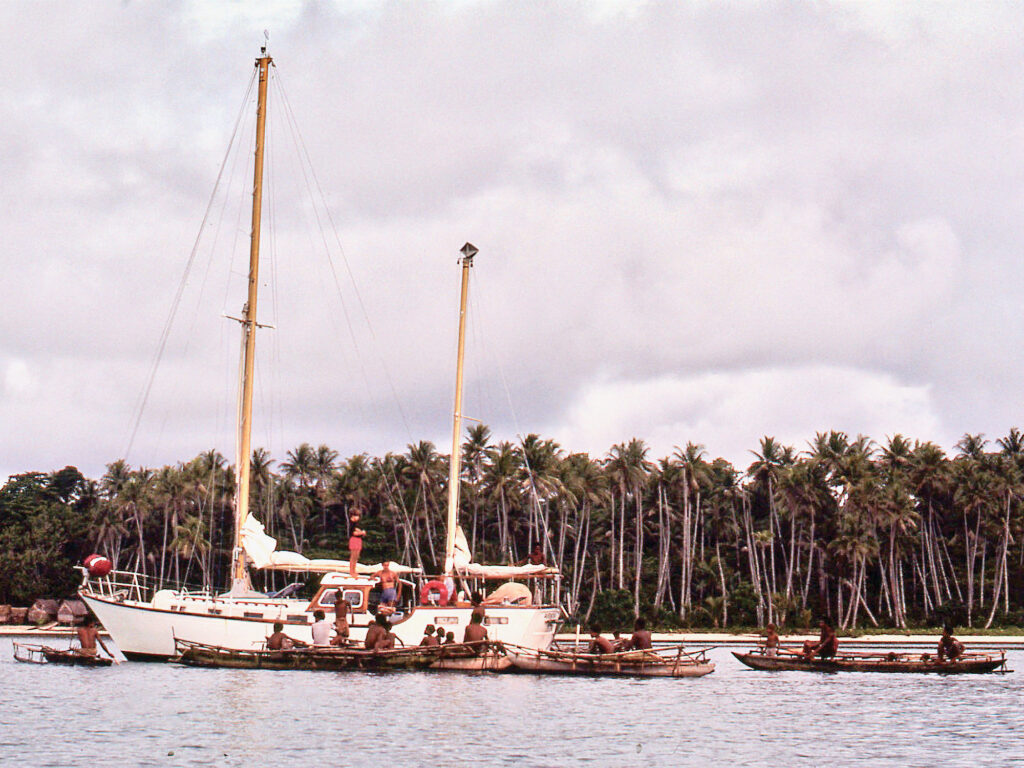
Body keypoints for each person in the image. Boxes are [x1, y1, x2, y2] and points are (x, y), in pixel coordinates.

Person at [348, 510, 365, 577]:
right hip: (354, 539)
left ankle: (354, 571)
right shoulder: (352, 524)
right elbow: (354, 533)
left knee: (357, 556)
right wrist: (361, 532)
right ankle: (351, 571)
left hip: (358, 539)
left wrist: (361, 532)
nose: (358, 517)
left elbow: (362, 532)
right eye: (356, 515)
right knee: (353, 556)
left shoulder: (358, 524)